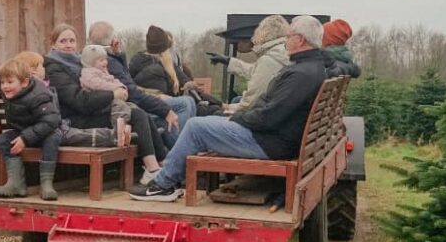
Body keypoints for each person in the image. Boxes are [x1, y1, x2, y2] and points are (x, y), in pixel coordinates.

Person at [130, 16, 328, 202]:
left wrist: (237, 118)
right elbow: (271, 110)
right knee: (204, 122)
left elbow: (268, 117)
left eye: (289, 36)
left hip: (269, 142)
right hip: (278, 138)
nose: (286, 41)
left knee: (195, 127)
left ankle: (162, 185)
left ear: (300, 40)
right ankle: (169, 178)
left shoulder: (300, 74)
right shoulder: (312, 68)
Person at [44, 23, 168, 185]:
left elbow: (113, 73)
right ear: (53, 44)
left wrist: (117, 55)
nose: (68, 45)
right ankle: (152, 170)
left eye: (72, 41)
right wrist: (112, 95)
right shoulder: (54, 68)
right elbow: (78, 101)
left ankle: (163, 164)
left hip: (91, 111)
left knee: (138, 111)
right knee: (135, 115)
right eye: (63, 41)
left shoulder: (79, 62)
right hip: (74, 119)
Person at [87, 21, 192, 147]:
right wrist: (164, 109)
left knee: (187, 102)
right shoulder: (110, 63)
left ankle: (181, 147)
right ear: (113, 41)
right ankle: (179, 149)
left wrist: (118, 54)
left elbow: (128, 80)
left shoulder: (105, 60)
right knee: (184, 104)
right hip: (133, 108)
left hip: (135, 102)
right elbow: (133, 93)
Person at [10, 51, 117, 147]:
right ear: (33, 72)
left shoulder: (41, 88)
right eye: (41, 67)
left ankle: (115, 135)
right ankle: (114, 137)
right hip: (51, 132)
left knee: (81, 134)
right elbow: (46, 118)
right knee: (82, 136)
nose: (44, 69)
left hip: (55, 126)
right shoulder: (37, 92)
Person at [0, 58, 63, 201]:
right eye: (2, 82)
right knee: (3, 139)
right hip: (24, 131)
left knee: (52, 139)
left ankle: (46, 184)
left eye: (9, 82)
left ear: (24, 83)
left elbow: (52, 120)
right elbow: (11, 75)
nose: (5, 86)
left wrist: (25, 138)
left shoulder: (39, 95)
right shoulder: (15, 90)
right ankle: (16, 183)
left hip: (45, 132)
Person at [130, 25, 223, 118]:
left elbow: (183, 78)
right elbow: (132, 86)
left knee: (207, 108)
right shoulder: (149, 65)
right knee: (186, 103)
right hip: (156, 107)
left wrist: (187, 83)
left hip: (172, 102)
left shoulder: (167, 63)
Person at [206, 14, 291, 114]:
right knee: (236, 99)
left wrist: (224, 106)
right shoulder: (280, 53)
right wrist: (228, 60)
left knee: (198, 121)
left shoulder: (270, 60)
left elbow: (250, 103)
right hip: (275, 109)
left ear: (265, 33)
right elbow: (255, 71)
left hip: (262, 117)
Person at [79, 44, 132, 145]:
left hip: (108, 100)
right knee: (119, 107)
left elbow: (113, 80)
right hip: (98, 104)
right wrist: (115, 89)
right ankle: (118, 133)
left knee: (131, 106)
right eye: (101, 60)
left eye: (105, 59)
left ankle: (125, 130)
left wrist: (122, 88)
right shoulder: (88, 73)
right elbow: (99, 85)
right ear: (91, 62)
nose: (105, 62)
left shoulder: (103, 71)